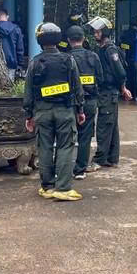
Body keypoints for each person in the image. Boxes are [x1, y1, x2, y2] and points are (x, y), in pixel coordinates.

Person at [23, 22, 86, 201]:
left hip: (42, 112)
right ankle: (63, 188)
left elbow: (28, 92)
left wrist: (29, 115)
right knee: (65, 147)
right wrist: (80, 110)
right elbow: (77, 87)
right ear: (58, 39)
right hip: (65, 110)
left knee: (44, 147)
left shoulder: (35, 62)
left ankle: (47, 187)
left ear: (40, 40)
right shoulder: (68, 60)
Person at [87, 16, 131, 168]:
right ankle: (112, 158)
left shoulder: (110, 49)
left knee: (104, 125)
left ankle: (99, 160)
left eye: (98, 32)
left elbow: (120, 72)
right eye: (95, 31)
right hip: (106, 92)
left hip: (108, 92)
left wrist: (123, 87)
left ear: (105, 32)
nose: (95, 34)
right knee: (111, 125)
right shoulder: (102, 48)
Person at [66, 25, 103, 179]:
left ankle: (63, 168)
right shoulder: (93, 56)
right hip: (89, 101)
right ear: (84, 39)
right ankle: (80, 170)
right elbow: (100, 78)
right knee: (85, 136)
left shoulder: (66, 58)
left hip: (70, 103)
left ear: (68, 40)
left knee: (66, 136)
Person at [0, 8, 24, 81]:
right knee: (9, 85)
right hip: (11, 62)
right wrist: (20, 64)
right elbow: (20, 49)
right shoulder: (16, 29)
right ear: (7, 16)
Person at [119, 17, 137, 101]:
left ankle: (127, 94)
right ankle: (135, 94)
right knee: (135, 77)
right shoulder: (136, 34)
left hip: (126, 58)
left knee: (128, 77)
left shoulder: (125, 34)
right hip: (134, 58)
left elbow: (121, 45)